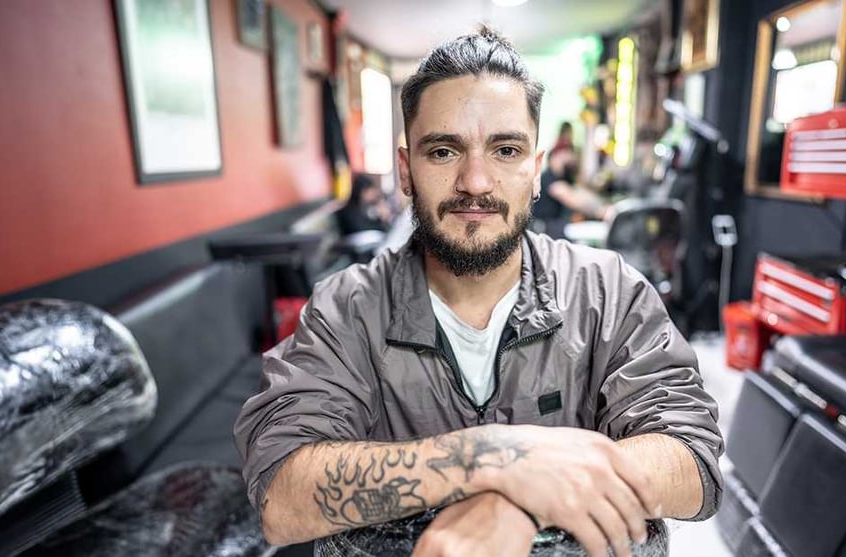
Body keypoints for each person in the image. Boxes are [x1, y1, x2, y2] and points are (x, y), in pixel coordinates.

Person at [234, 26, 723, 557]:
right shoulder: (346, 309)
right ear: (406, 171)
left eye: (506, 150)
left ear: (536, 171)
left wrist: (522, 502)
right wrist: (489, 458)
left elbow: (691, 460)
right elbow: (282, 497)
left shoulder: (609, 292)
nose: (476, 181)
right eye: (444, 151)